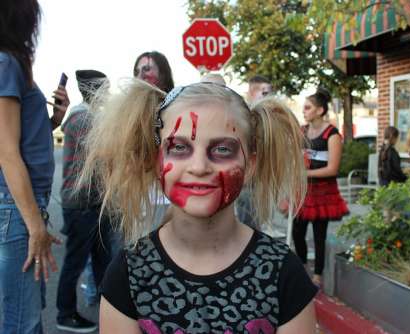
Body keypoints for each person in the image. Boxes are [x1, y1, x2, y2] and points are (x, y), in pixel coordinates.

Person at [78, 81, 318, 333]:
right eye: (179, 147)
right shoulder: (128, 275)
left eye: (223, 149)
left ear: (251, 165)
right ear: (156, 160)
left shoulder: (283, 274)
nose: (199, 167)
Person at [0, 1, 69, 332]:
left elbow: (21, 138)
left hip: (19, 206)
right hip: (16, 206)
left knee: (25, 313)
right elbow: (7, 152)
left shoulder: (10, 63)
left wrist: (55, 119)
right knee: (21, 322)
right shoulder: (5, 62)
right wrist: (35, 226)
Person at [55, 70, 115, 332]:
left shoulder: (88, 116)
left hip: (94, 203)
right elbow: (108, 154)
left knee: (103, 261)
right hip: (81, 205)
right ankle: (65, 314)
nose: (110, 95)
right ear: (96, 91)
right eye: (106, 89)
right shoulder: (84, 119)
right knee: (75, 262)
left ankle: (109, 308)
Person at [292, 88, 349, 286]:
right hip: (303, 191)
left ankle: (318, 275)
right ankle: (301, 267)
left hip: (324, 192)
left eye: (307, 108)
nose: (304, 111)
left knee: (318, 235)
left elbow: (332, 169)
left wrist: (304, 174)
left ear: (319, 110)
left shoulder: (332, 134)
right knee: (297, 232)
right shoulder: (302, 131)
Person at [133, 51, 175, 228]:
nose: (140, 74)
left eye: (147, 68)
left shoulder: (176, 106)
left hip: (169, 199)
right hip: (141, 199)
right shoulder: (130, 113)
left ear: (163, 75)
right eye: (136, 71)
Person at [235, 75, 274, 229]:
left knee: (257, 223)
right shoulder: (243, 114)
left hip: (261, 179)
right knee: (248, 223)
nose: (268, 96)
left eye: (269, 92)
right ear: (252, 91)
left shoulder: (268, 116)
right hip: (247, 179)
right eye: (264, 92)